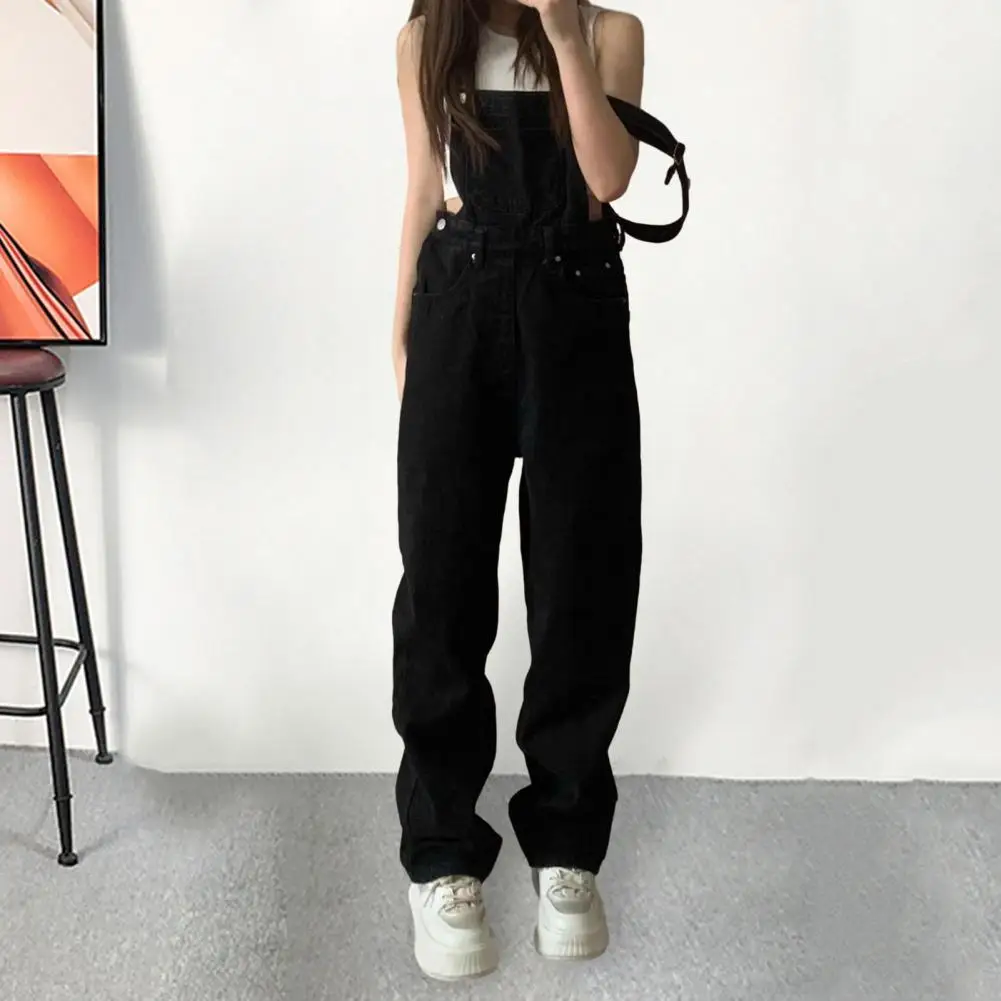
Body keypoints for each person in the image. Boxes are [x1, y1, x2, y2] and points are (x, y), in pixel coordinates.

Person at [391, 0, 688, 980]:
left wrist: (561, 35)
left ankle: (566, 846)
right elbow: (421, 185)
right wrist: (400, 330)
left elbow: (608, 180)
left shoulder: (606, 34)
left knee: (581, 577)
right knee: (440, 583)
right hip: (457, 303)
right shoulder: (424, 38)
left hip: (575, 304)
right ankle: (441, 855)